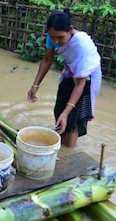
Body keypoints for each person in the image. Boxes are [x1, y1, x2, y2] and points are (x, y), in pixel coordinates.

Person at [27, 10, 102, 148]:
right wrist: (35, 85)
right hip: (70, 71)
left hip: (87, 78)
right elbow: (48, 59)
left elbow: (80, 84)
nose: (56, 41)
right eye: (52, 36)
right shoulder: (54, 36)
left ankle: (69, 148)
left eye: (60, 37)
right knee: (59, 109)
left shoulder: (81, 46)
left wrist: (67, 113)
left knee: (72, 118)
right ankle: (62, 133)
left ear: (71, 29)